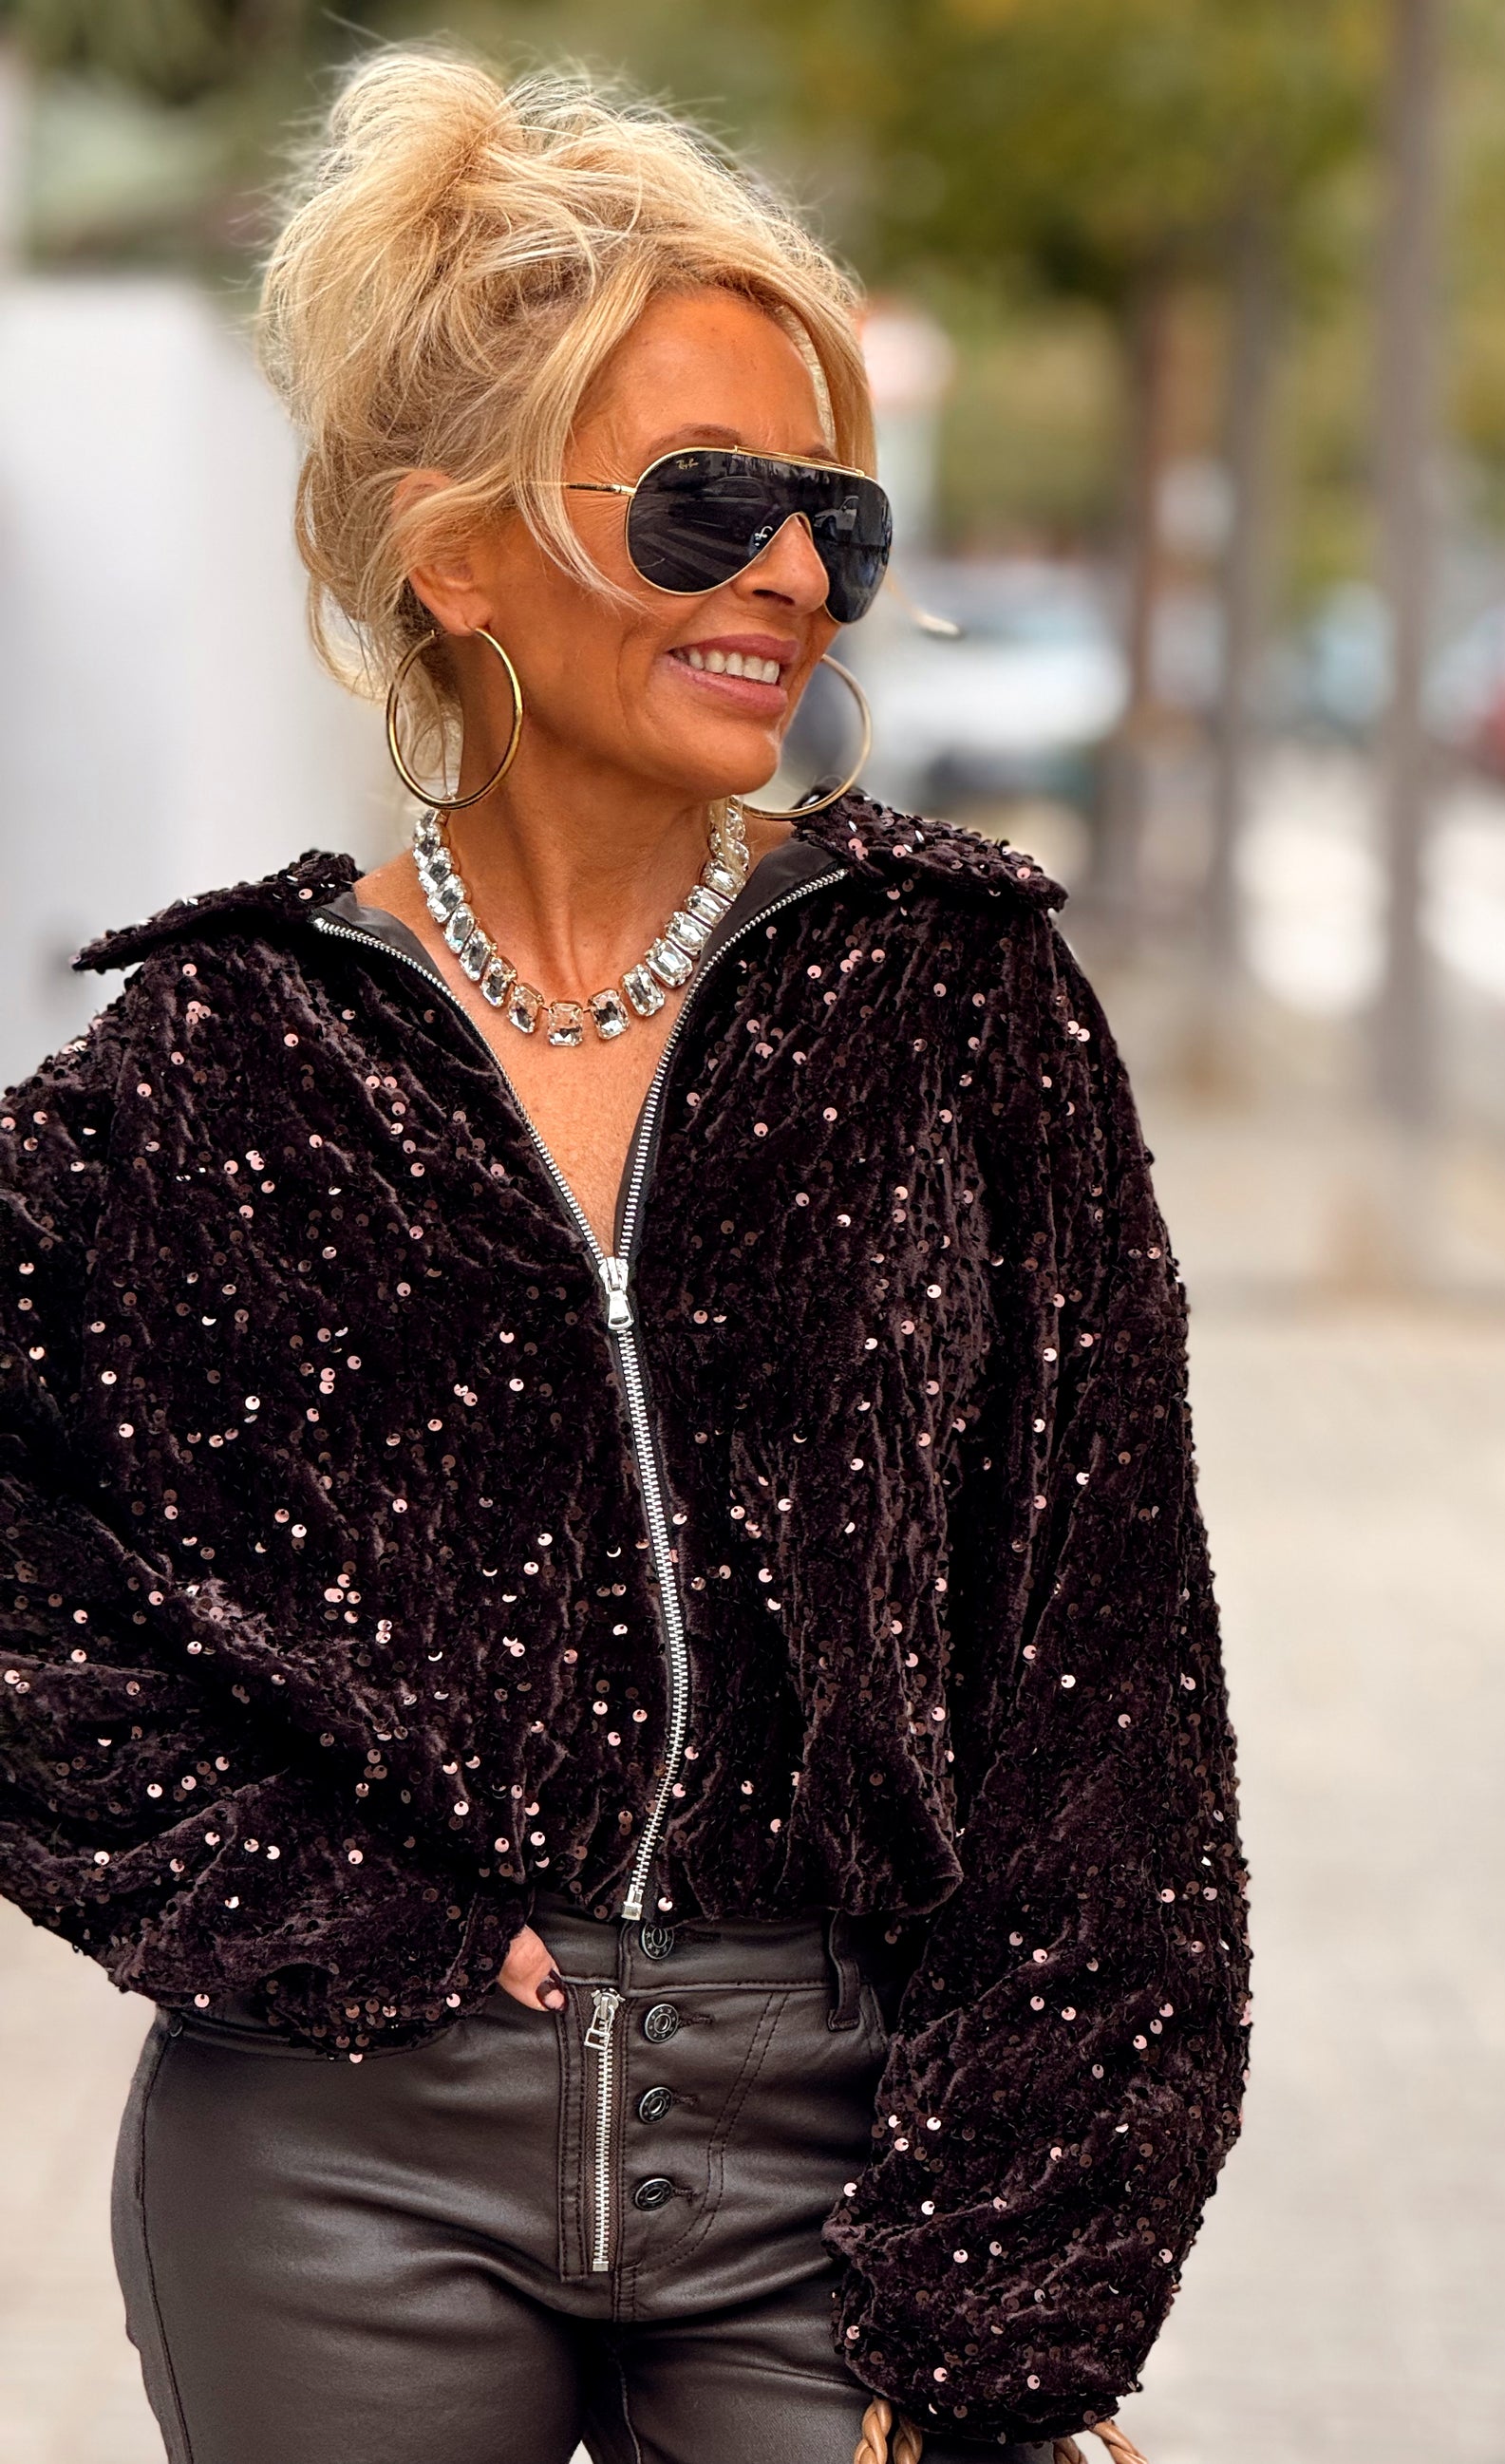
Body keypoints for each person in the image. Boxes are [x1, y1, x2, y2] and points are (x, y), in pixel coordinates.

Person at [0, 49, 1250, 2464]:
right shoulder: (231, 1052)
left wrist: (1028, 2261)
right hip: (341, 2162)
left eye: (829, 517)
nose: (783, 574)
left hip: (849, 2153)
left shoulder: (948, 999)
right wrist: (287, 1889)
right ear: (455, 553)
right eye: (703, 503)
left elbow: (1109, 1670)